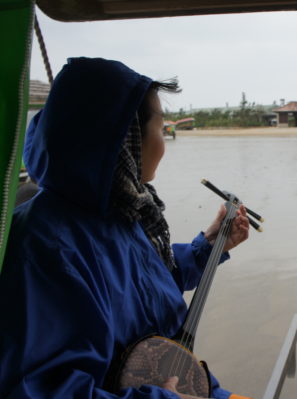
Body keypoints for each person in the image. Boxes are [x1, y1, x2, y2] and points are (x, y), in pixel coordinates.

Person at [0, 57, 251, 399]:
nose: (164, 143)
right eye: (160, 129)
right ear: (124, 138)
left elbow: (144, 296)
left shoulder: (119, 212)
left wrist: (210, 245)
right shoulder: (45, 248)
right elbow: (39, 390)